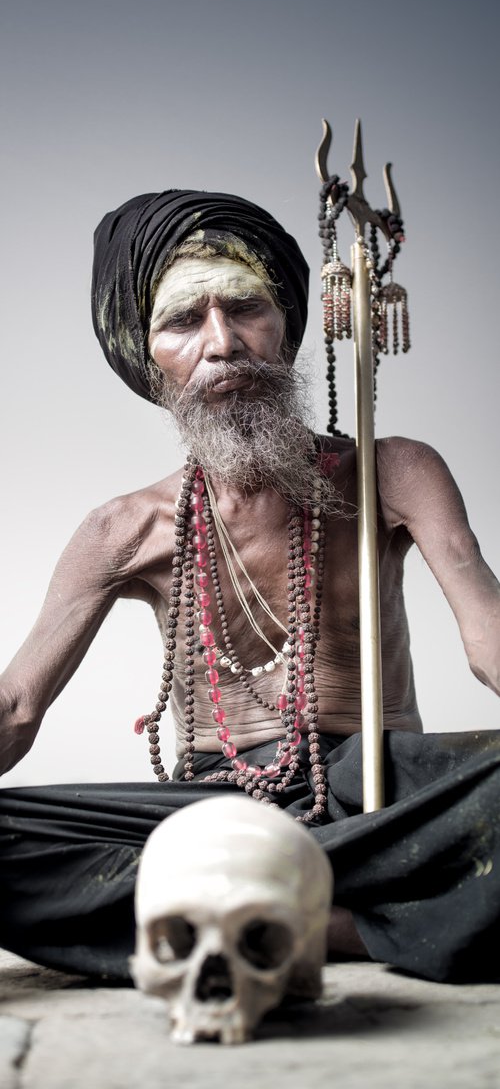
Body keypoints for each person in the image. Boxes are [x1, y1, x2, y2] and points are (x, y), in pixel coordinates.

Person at [1, 189, 499, 985]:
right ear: (145, 355)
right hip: (210, 816)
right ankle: (355, 917)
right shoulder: (123, 529)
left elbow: (489, 639)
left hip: (378, 799)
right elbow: (17, 708)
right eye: (182, 321)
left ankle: (279, 916)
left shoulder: (391, 470)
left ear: (287, 326)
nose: (222, 342)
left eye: (245, 308)